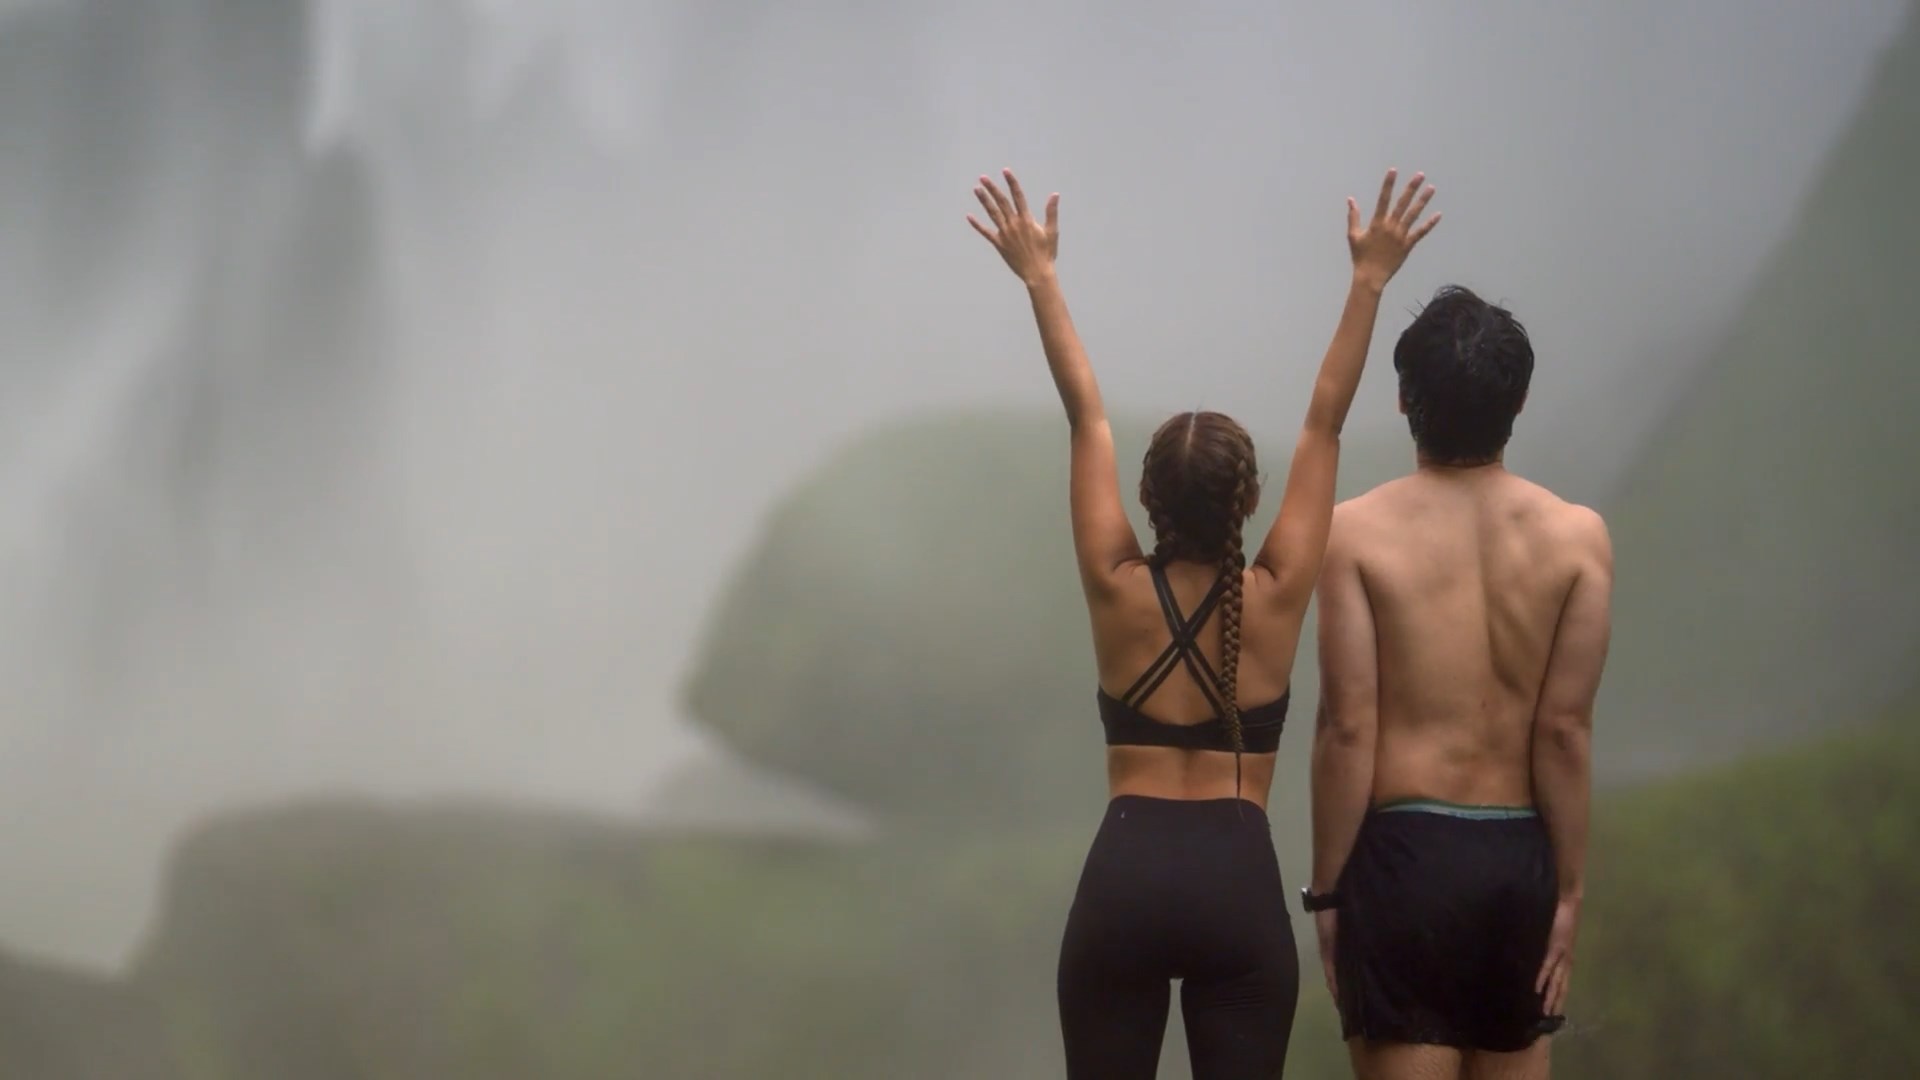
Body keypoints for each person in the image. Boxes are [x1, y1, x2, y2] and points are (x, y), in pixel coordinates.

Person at [966, 166, 1440, 1079]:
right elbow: (1324, 425)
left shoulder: (1115, 589)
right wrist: (1369, 280)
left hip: (1123, 881)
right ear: (1248, 501)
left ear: (1147, 501)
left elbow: (1086, 417)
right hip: (1238, 886)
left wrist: (1040, 278)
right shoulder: (1276, 593)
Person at [1306, 285, 1616, 1080]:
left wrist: (1328, 895)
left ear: (1404, 399)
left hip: (1405, 861)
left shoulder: (1353, 534)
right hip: (1519, 858)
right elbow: (1564, 732)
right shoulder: (1578, 539)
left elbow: (1347, 728)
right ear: (1518, 402)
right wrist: (1569, 893)